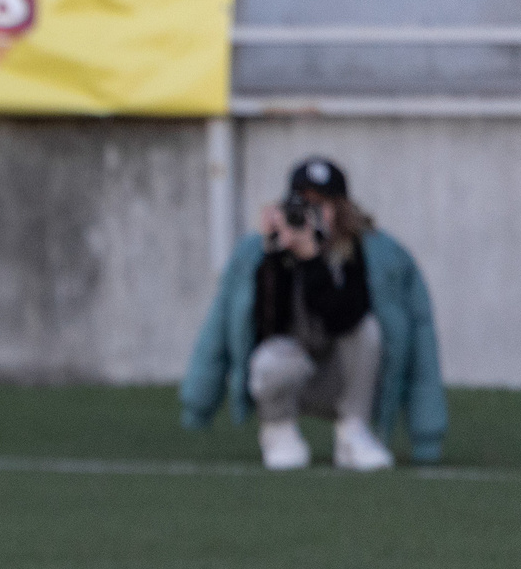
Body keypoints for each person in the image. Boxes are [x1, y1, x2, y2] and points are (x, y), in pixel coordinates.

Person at [181, 156, 448, 471]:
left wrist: (312, 259)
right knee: (269, 358)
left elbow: (349, 320)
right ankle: (278, 431)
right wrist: (276, 256)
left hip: (347, 378)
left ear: (341, 208)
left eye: (322, 204)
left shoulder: (369, 252)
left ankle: (354, 431)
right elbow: (259, 328)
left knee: (367, 332)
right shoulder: (261, 252)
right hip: (289, 373)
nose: (312, 214)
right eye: (304, 204)